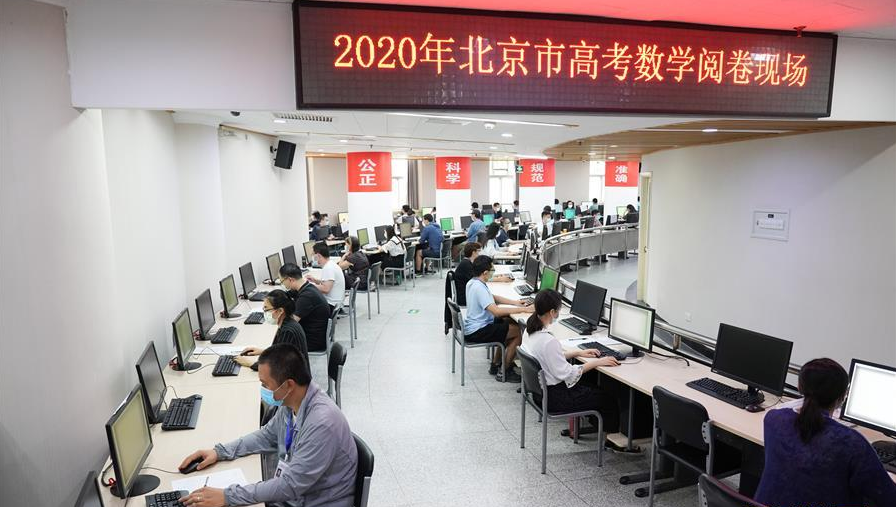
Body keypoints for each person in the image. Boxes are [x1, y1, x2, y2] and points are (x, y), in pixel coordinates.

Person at [178, 343, 357, 507]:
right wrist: (220, 452)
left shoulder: (322, 423)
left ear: (288, 385)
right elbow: (266, 436)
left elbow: (290, 486)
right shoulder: (293, 402)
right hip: (298, 494)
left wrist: (228, 496)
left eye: (265, 384)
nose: (263, 390)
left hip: (317, 501)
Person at [754, 358, 896, 506]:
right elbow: (889, 497)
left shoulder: (774, 419)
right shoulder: (851, 443)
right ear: (843, 396)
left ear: (799, 387)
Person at [523, 289, 621, 438]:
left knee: (591, 386)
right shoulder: (548, 341)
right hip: (555, 398)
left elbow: (548, 358)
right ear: (552, 312)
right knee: (607, 399)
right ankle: (610, 441)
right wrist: (598, 362)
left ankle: (592, 429)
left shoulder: (529, 330)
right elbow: (568, 373)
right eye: (558, 310)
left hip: (539, 395)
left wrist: (577, 353)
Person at [464, 255, 531, 382]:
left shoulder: (473, 282)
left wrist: (515, 303)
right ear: (485, 273)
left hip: (474, 327)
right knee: (519, 332)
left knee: (508, 321)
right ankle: (504, 371)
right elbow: (497, 312)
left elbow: (493, 297)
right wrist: (524, 310)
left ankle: (495, 365)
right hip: (477, 331)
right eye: (492, 270)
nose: (493, 273)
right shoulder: (479, 287)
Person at [235, 289, 309, 369]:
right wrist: (263, 351)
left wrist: (251, 363)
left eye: (266, 309)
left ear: (280, 311)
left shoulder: (288, 331)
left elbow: (278, 366)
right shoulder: (287, 323)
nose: (265, 312)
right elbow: (281, 352)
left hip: (294, 376)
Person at [279, 263, 330, 353]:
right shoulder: (307, 287)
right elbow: (289, 294)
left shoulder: (307, 297)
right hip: (315, 334)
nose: (282, 284)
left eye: (282, 281)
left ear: (290, 280)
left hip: (312, 341)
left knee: (276, 339)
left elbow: (292, 322)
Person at [305, 243, 345, 310]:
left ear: (318, 255)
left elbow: (326, 289)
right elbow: (328, 283)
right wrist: (315, 280)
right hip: (335, 303)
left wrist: (308, 285)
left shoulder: (328, 268)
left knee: (305, 301)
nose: (312, 258)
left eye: (313, 255)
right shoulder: (331, 264)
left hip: (331, 305)